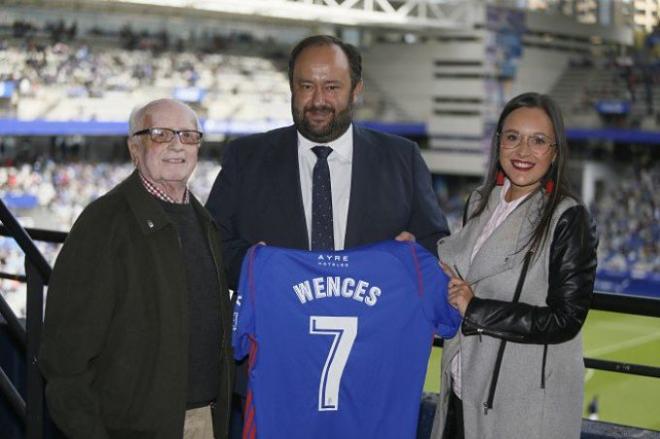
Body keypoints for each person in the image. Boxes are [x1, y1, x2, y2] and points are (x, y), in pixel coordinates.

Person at [39, 99, 234, 439]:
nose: (177, 144)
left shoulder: (204, 222)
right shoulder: (102, 224)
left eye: (188, 135)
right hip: (131, 428)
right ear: (134, 148)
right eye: (161, 134)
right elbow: (65, 359)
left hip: (204, 422)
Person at [205, 34, 449, 291]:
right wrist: (256, 265)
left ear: (356, 90)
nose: (318, 101)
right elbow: (212, 244)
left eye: (332, 87)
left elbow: (435, 243)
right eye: (306, 86)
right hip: (277, 326)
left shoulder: (402, 158)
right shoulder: (245, 157)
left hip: (373, 327)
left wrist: (414, 257)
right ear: (291, 87)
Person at [430, 92, 598, 439]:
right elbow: (460, 271)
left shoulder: (568, 217)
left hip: (520, 405)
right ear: (498, 143)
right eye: (513, 137)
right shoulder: (480, 202)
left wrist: (475, 309)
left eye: (538, 141)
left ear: (555, 151)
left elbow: (566, 319)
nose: (523, 152)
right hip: (463, 389)